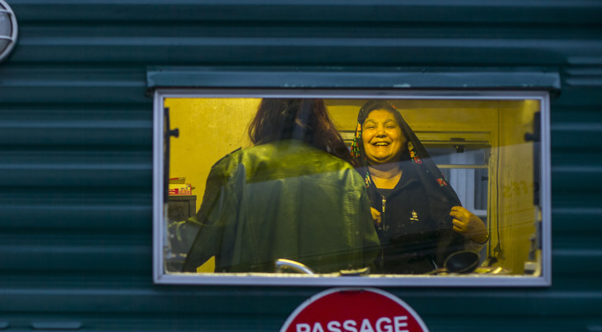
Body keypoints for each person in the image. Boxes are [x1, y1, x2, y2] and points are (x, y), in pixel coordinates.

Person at [167, 99, 379, 274]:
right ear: (318, 117)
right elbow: (369, 259)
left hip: (256, 313)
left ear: (265, 115)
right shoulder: (347, 176)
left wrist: (153, 229)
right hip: (322, 317)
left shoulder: (235, 168)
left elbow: (192, 247)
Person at [350, 100, 489, 274]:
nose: (380, 133)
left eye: (389, 126)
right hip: (356, 291)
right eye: (371, 127)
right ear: (360, 137)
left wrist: (479, 235)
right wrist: (350, 219)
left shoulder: (428, 190)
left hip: (415, 292)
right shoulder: (345, 189)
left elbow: (450, 262)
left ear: (404, 139)